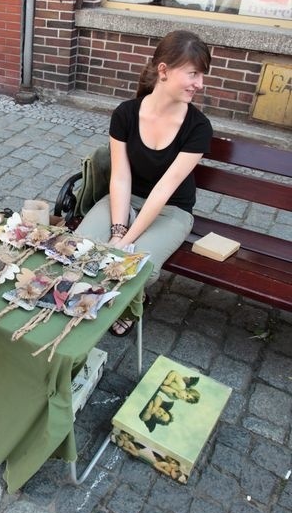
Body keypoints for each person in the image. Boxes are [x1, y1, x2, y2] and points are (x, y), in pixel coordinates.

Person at [78, 30, 213, 336]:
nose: (200, 84)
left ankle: (130, 302)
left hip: (171, 210)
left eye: (202, 75)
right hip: (124, 200)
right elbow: (121, 176)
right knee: (81, 251)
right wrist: (117, 229)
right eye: (193, 73)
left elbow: (165, 189)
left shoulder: (198, 128)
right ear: (163, 71)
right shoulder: (126, 114)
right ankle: (93, 299)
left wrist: (125, 242)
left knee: (133, 268)